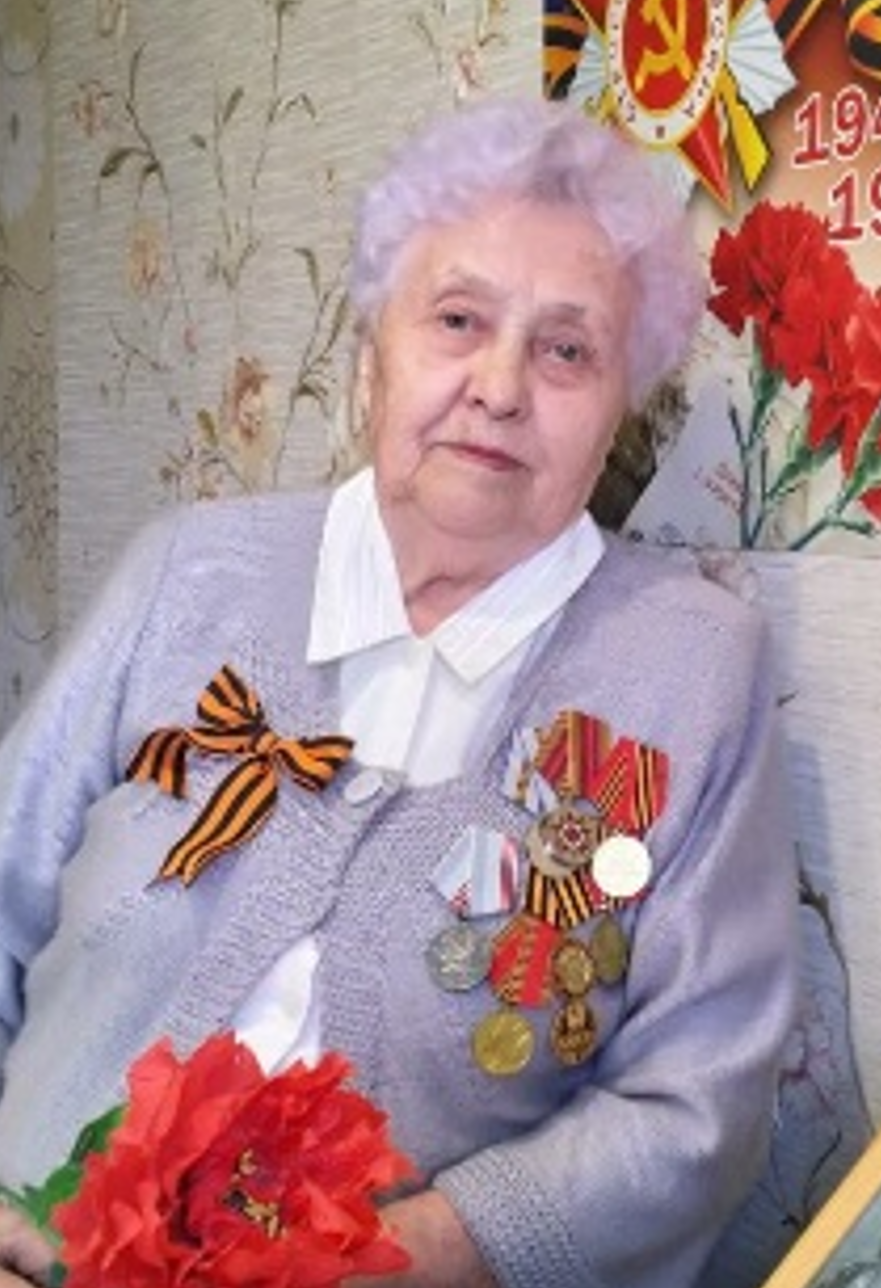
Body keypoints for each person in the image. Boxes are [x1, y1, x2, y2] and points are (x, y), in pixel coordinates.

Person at [0, 95, 798, 1288]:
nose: (499, 386)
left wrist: (407, 1251)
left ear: (619, 408)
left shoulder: (688, 665)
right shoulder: (190, 572)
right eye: (457, 319)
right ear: (373, 353)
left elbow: (700, 1101)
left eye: (566, 350)